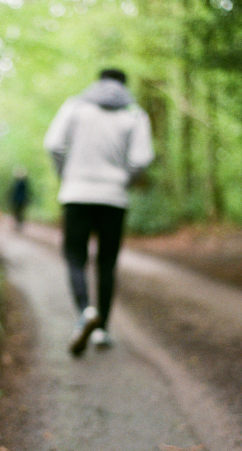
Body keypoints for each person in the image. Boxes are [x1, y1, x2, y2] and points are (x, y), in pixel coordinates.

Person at [43, 68, 154, 356]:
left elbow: (53, 144)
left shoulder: (75, 106)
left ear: (98, 81)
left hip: (76, 193)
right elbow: (142, 159)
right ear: (123, 85)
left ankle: (85, 311)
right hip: (114, 198)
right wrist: (123, 180)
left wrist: (65, 174)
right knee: (107, 263)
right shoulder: (135, 114)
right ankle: (102, 330)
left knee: (75, 257)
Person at [10, 166, 31, 230]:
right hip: (19, 200)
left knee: (19, 212)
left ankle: (19, 224)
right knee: (18, 212)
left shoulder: (22, 183)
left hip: (20, 200)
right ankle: (18, 224)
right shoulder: (21, 182)